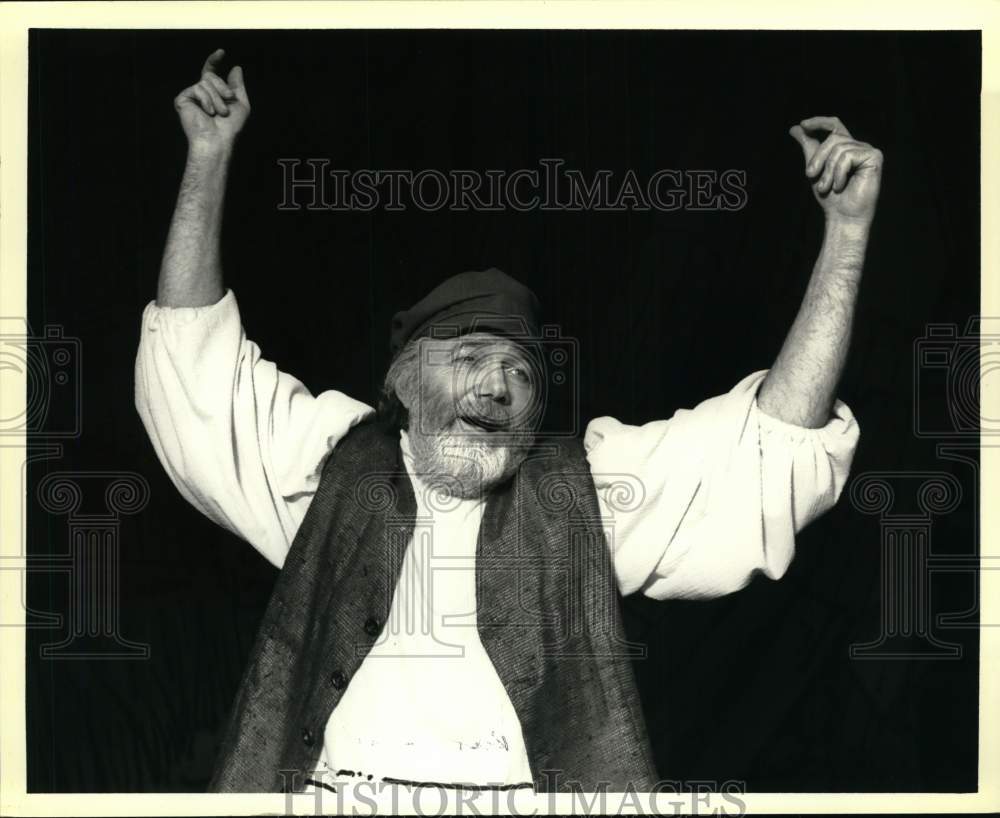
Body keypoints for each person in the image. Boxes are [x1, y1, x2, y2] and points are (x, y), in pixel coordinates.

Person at [134, 48, 877, 793]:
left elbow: (769, 451)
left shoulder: (582, 497)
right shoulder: (329, 468)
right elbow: (194, 369)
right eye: (468, 357)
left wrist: (845, 235)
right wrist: (208, 157)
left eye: (521, 373)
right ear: (401, 380)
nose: (496, 388)